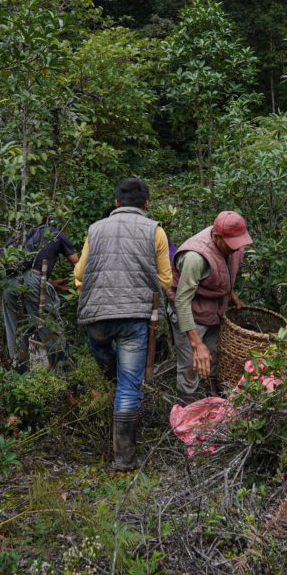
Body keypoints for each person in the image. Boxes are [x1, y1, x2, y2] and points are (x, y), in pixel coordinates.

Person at [74, 177, 172, 471]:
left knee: (104, 355)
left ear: (116, 203)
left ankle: (114, 384)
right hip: (134, 319)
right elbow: (165, 280)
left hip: (97, 315)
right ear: (146, 205)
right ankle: (124, 459)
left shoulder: (95, 228)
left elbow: (80, 271)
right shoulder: (155, 231)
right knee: (130, 385)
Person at [167, 211, 253, 404]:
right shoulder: (195, 258)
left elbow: (221, 270)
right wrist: (196, 344)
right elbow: (182, 302)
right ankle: (186, 414)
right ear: (216, 237)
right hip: (190, 315)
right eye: (231, 245)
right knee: (191, 366)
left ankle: (213, 404)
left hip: (214, 313)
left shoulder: (234, 244)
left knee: (213, 360)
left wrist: (230, 294)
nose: (236, 249)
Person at [1, 217, 79, 371]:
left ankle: (19, 370)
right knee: (51, 329)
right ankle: (62, 373)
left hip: (9, 284)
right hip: (34, 281)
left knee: (15, 330)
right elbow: (79, 265)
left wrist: (51, 284)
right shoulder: (57, 233)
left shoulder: (27, 234)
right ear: (58, 223)